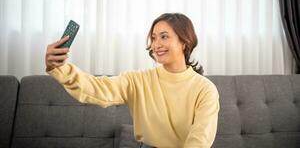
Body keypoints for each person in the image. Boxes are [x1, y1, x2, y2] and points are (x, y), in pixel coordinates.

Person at [45, 13, 220, 148]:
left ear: (185, 42)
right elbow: (96, 89)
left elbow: (200, 140)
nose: (156, 44)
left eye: (164, 36)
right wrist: (58, 67)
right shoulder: (138, 80)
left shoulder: (205, 89)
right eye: (153, 38)